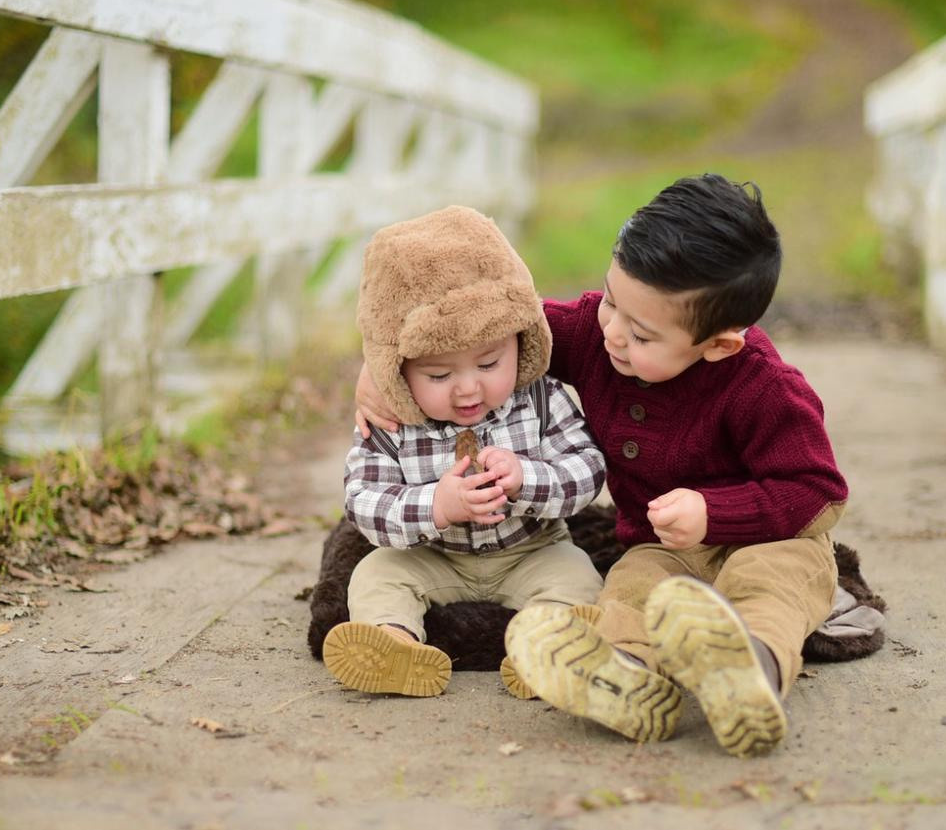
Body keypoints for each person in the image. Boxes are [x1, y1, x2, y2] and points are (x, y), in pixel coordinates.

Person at [355, 175, 848, 756]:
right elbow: (486, 329)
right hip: (662, 545)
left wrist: (715, 512)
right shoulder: (597, 333)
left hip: (770, 537)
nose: (612, 332)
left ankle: (747, 670)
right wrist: (384, 368)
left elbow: (817, 490)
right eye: (612, 299)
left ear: (717, 345)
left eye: (640, 333)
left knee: (773, 588)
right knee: (629, 592)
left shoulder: (765, 389)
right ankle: (624, 678)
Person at [324, 205, 606, 699]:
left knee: (577, 575)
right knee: (374, 575)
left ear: (522, 341)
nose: (468, 388)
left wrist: (528, 477)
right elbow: (362, 501)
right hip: (432, 556)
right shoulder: (391, 420)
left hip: (530, 550)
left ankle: (542, 646)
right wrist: (437, 505)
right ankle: (394, 645)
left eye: (490, 362)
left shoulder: (541, 397)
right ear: (397, 370)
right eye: (438, 375)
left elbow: (588, 467)